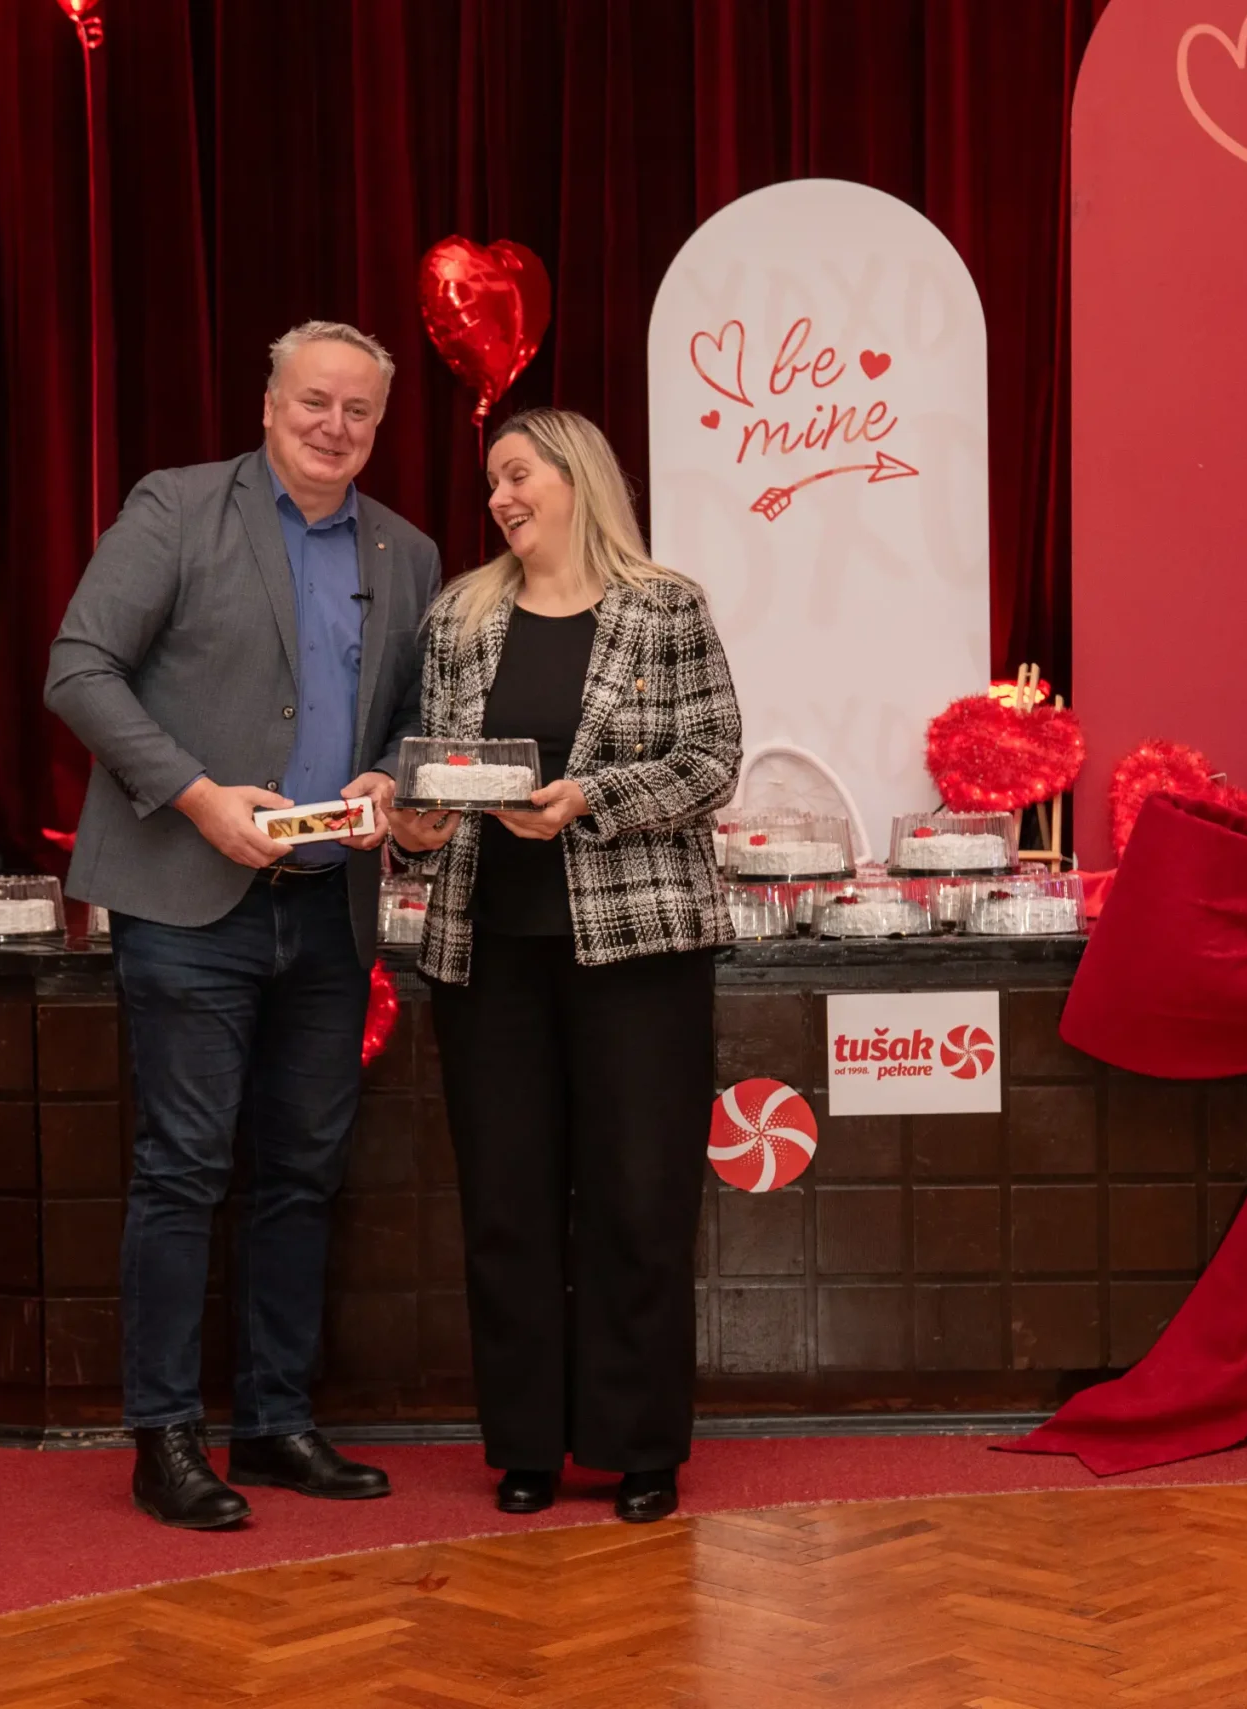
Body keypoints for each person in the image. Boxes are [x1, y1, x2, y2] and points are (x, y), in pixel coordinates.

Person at [47, 321, 440, 1530]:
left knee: (303, 1172)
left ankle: (273, 1420)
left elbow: (418, 716)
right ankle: (164, 1435)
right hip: (186, 897)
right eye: (314, 401)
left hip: (328, 905)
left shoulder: (409, 550)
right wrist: (197, 795)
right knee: (183, 1166)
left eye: (358, 410)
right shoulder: (176, 508)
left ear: (380, 424)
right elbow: (78, 669)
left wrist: (391, 777)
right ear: (268, 403)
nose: (334, 425)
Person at [388, 408, 740, 1525]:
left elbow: (713, 759)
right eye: (491, 480)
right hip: (487, 951)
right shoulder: (461, 617)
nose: (500, 497)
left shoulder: (666, 607)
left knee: (638, 1199)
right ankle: (527, 1443)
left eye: (518, 475)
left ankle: (639, 1446)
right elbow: (433, 771)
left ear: (579, 479)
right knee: (508, 1204)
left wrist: (592, 797)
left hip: (639, 952)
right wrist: (415, 828)